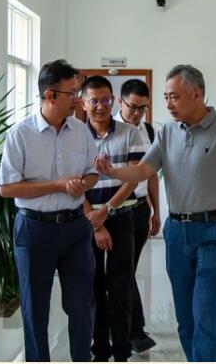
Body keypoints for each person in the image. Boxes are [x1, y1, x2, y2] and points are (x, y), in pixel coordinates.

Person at [95, 65, 216, 362]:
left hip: (214, 231)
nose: (168, 104)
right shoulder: (167, 132)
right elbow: (143, 170)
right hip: (178, 233)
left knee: (205, 315)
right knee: (185, 318)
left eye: (174, 97)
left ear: (196, 94)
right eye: (166, 97)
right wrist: (113, 171)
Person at [0, 59, 99, 362]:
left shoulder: (80, 130)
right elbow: (7, 188)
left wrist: (83, 184)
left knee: (81, 305)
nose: (78, 99)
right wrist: (57, 185)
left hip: (75, 228)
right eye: (72, 93)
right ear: (50, 95)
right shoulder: (21, 134)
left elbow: (92, 172)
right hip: (34, 230)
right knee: (35, 308)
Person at [80, 76, 145, 362]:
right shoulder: (75, 135)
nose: (100, 106)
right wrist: (95, 222)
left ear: (114, 101)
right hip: (86, 220)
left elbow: (133, 178)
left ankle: (121, 352)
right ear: (83, 103)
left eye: (105, 100)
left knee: (121, 288)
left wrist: (106, 210)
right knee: (93, 287)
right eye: (93, 101)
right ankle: (100, 351)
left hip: (120, 216)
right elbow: (74, 182)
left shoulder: (130, 133)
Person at [115, 78, 161, 354]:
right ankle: (134, 330)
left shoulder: (149, 131)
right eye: (132, 107)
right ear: (120, 102)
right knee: (122, 270)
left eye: (142, 108)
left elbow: (151, 175)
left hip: (140, 208)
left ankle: (126, 327)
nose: (137, 113)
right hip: (114, 209)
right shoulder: (108, 129)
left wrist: (156, 211)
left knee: (126, 269)